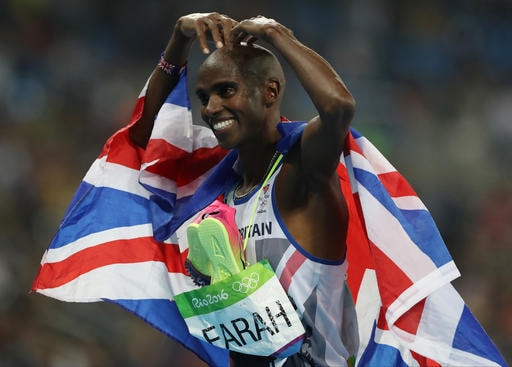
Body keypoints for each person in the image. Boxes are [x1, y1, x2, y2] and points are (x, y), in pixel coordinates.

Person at [129, 12, 358, 367]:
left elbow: (338, 107)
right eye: (203, 96)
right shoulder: (218, 189)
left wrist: (276, 33)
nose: (210, 108)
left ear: (270, 91)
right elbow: (141, 144)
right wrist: (179, 37)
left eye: (226, 91)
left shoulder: (300, 173)